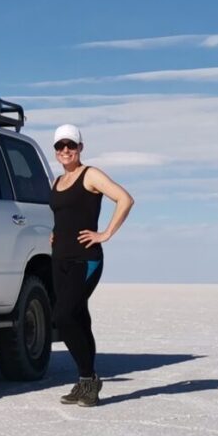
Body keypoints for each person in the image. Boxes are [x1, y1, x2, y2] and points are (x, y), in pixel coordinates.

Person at [50, 124, 134, 407]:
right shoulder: (57, 182)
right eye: (60, 146)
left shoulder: (91, 175)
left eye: (70, 146)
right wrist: (55, 233)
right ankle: (85, 382)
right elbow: (64, 215)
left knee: (63, 317)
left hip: (85, 260)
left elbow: (125, 199)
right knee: (79, 318)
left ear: (80, 148)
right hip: (59, 259)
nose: (65, 151)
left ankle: (90, 378)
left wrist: (106, 234)